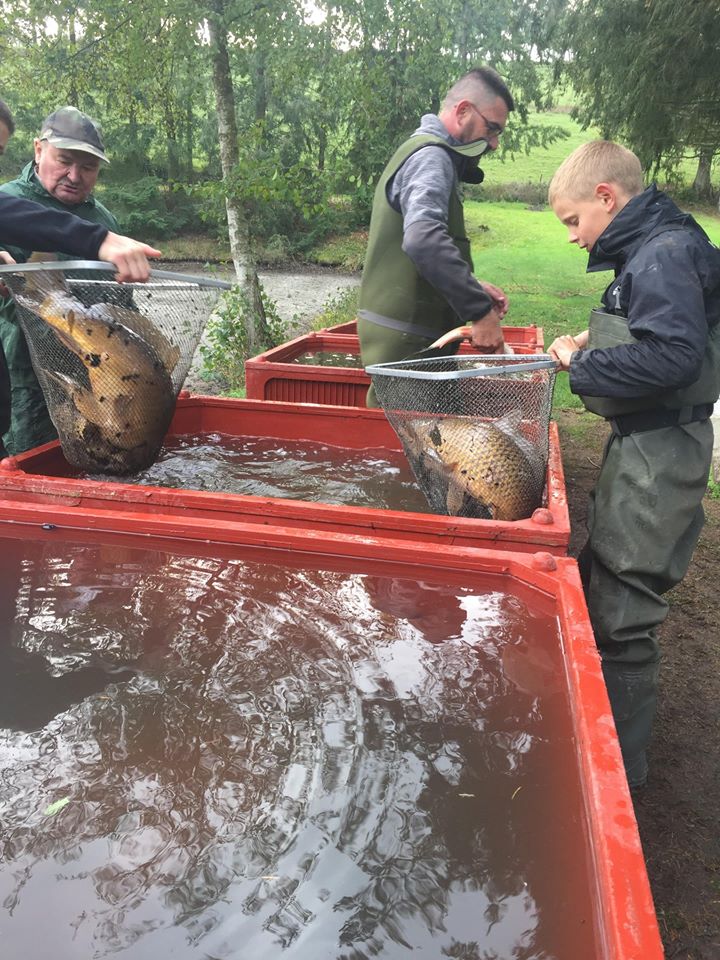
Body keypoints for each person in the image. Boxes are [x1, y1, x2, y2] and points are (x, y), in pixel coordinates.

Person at [547, 140, 720, 790]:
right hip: (646, 443)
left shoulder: (662, 251)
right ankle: (599, 738)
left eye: (573, 222)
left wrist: (578, 364)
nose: (572, 237)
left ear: (606, 198)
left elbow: (674, 357)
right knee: (604, 581)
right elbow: (685, 312)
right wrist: (605, 327)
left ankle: (614, 779)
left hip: (660, 454)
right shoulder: (667, 240)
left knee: (623, 615)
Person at [358, 66, 513, 405]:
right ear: (463, 111)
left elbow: (421, 251)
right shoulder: (432, 157)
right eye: (492, 129)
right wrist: (480, 312)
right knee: (411, 453)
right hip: (407, 350)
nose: (495, 143)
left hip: (415, 344)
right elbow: (423, 239)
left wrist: (473, 289)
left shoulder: (429, 154)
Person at [0, 106, 126, 453]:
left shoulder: (103, 221)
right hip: (24, 378)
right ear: (39, 150)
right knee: (27, 470)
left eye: (88, 167)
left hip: (94, 376)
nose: (74, 175)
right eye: (64, 161)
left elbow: (120, 303)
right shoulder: (8, 203)